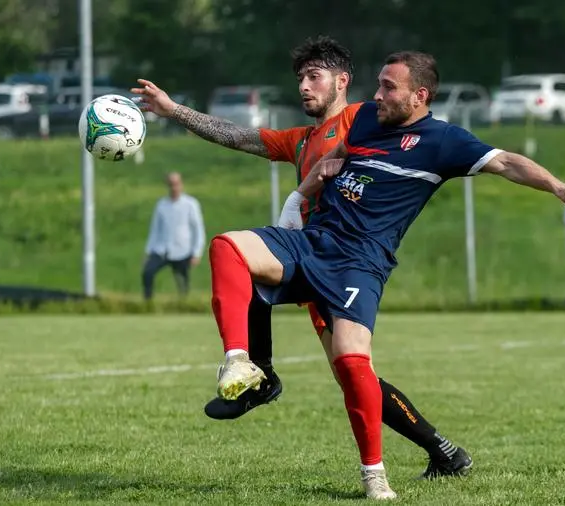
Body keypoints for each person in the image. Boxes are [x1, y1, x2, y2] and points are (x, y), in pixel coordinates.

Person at [179, 51, 565, 499]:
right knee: (228, 248)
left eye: (389, 87)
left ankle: (377, 474)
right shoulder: (366, 119)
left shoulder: (443, 141)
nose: (378, 94)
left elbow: (507, 163)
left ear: (419, 96)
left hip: (359, 263)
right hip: (315, 241)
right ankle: (243, 363)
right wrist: (300, 196)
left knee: (351, 364)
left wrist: (559, 186)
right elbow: (336, 157)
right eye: (379, 83)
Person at [132, 37, 472, 482]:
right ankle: (262, 375)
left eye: (315, 77)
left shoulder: (365, 119)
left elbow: (412, 135)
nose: (304, 87)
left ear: (342, 81)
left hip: (346, 264)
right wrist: (175, 110)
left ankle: (441, 450)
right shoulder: (303, 140)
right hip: (307, 257)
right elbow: (239, 136)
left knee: (353, 375)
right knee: (242, 265)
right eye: (300, 79)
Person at [142, 172, 205, 301]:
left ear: (181, 185)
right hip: (162, 250)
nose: (174, 187)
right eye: (171, 184)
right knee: (147, 272)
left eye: (176, 184)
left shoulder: (190, 204)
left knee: (182, 282)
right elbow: (155, 230)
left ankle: (184, 304)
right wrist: (148, 251)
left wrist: (196, 252)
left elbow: (198, 230)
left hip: (183, 250)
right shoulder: (161, 205)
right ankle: (147, 302)